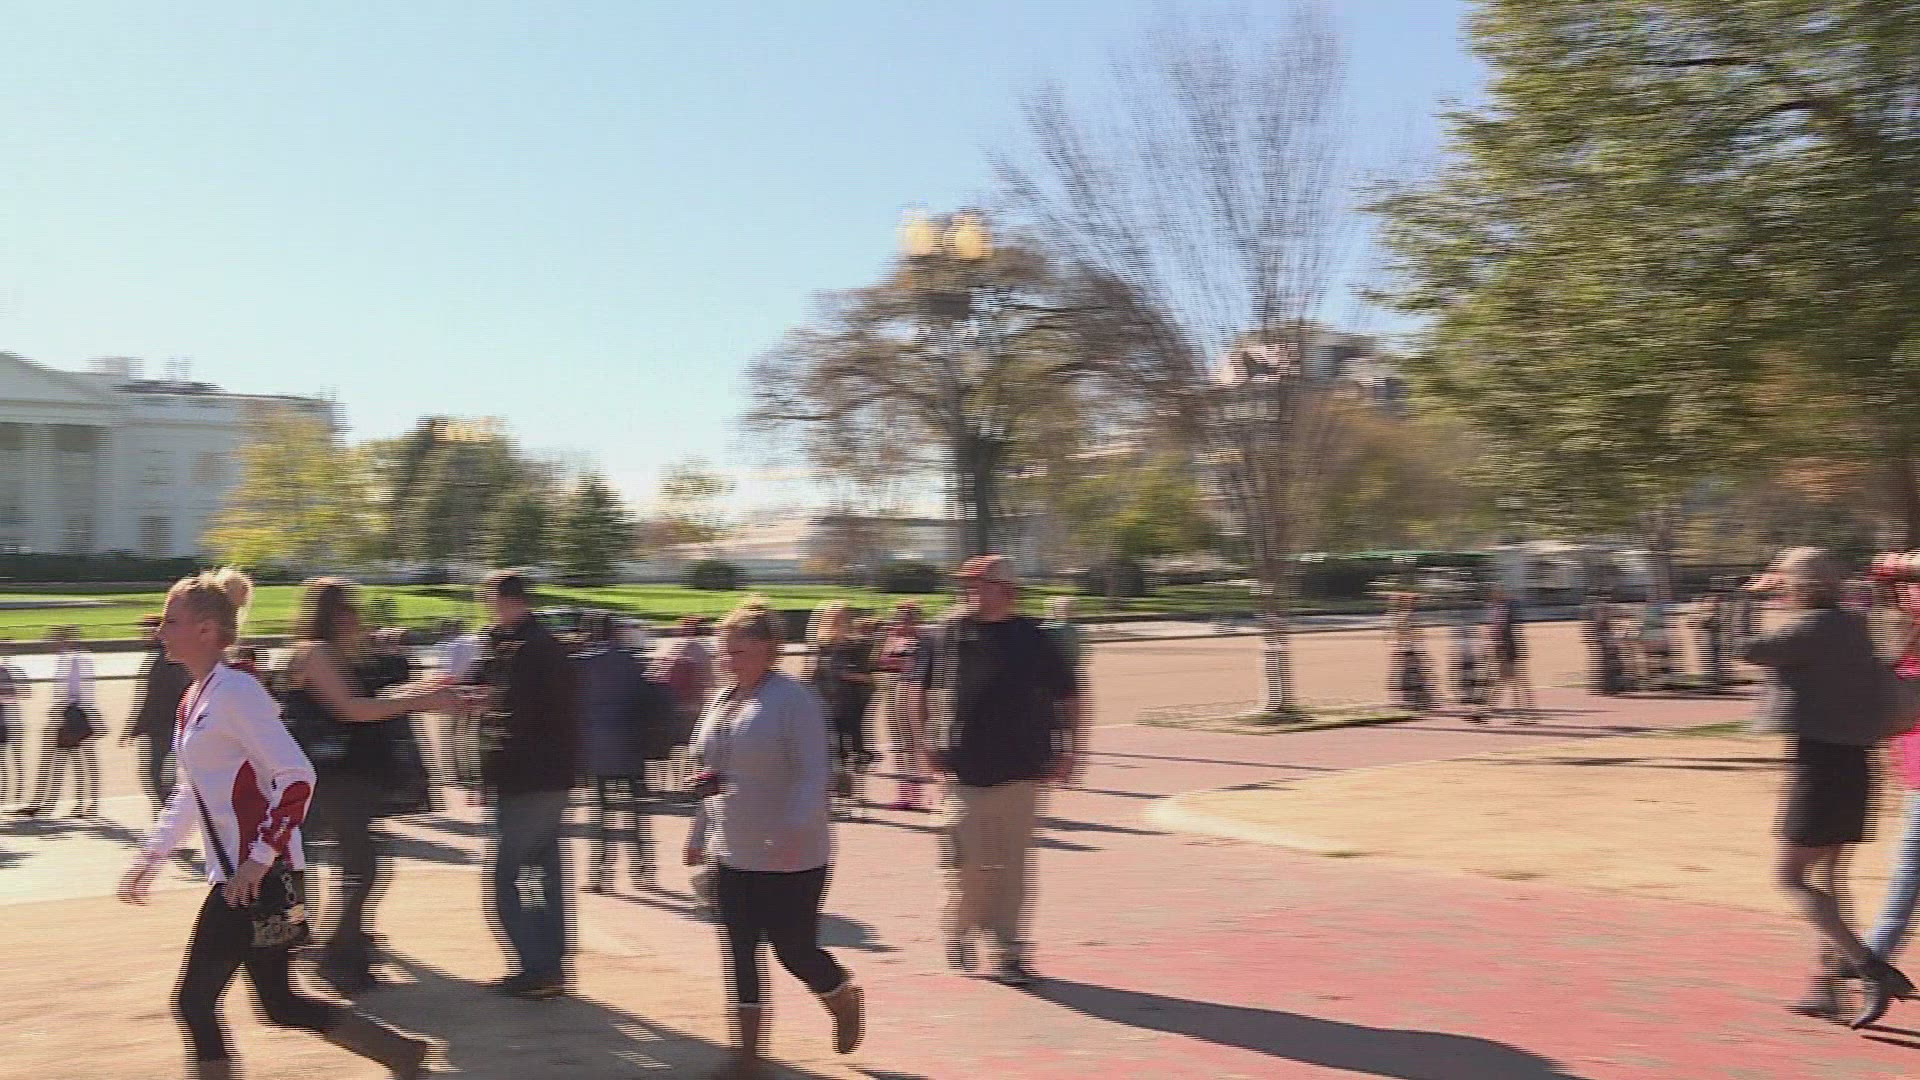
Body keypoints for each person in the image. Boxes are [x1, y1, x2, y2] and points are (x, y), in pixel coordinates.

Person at [115, 567, 433, 1080]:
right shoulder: (194, 698)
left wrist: (258, 861)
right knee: (280, 1003)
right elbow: (191, 792)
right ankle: (401, 1054)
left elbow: (297, 776)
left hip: (256, 879)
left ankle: (399, 1054)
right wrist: (152, 855)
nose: (160, 631)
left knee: (194, 1002)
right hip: (251, 877)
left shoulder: (236, 692)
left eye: (171, 621)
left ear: (205, 630)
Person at [684, 603, 863, 1077]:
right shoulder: (721, 701)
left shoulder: (793, 700)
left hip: (793, 854)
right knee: (739, 950)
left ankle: (841, 995)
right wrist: (698, 832)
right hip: (731, 850)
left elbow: (813, 774)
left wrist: (792, 830)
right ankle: (748, 1056)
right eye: (724, 649)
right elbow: (710, 774)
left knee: (793, 950)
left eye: (738, 649)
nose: (728, 658)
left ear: (768, 647)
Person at [1743, 547, 1914, 1028]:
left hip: (1819, 768)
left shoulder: (1810, 628)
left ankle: (1870, 969)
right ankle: (1827, 989)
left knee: (1791, 879)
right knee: (1830, 881)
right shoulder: (1853, 625)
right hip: (1857, 766)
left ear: (1796, 583)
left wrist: (1754, 597)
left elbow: (1747, 648)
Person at [913, 554, 1085, 987]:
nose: (971, 591)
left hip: (1022, 770)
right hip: (962, 771)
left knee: (1012, 869)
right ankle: (959, 927)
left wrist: (1072, 750)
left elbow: (1070, 696)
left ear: (1007, 591)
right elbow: (915, 692)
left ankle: (1009, 952)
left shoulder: (1036, 638)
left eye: (981, 584)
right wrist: (924, 743)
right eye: (967, 584)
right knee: (966, 864)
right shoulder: (945, 635)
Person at [283, 578, 459, 996]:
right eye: (347, 609)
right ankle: (337, 955)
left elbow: (370, 698)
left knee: (358, 865)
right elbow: (351, 709)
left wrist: (422, 691)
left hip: (343, 776)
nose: (355, 617)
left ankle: (339, 945)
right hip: (331, 776)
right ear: (330, 614)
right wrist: (418, 701)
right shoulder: (315, 652)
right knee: (360, 867)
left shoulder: (334, 653)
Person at [468, 569, 579, 999]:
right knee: (545, 877)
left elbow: (516, 716)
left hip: (526, 778)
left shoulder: (527, 650)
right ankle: (550, 965)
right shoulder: (538, 644)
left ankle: (537, 967)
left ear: (503, 601)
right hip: (549, 776)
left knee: (506, 878)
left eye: (491, 601)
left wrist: (485, 702)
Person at [575, 610, 664, 894]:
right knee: (637, 814)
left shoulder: (584, 664)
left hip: (597, 749)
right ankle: (643, 868)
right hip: (630, 746)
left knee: (601, 816)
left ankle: (600, 872)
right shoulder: (633, 662)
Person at [20, 625, 101, 818]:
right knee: (66, 761)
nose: (50, 644)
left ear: (65, 641)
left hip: (73, 716)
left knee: (67, 762)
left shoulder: (73, 660)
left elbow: (75, 691)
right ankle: (73, 804)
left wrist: (59, 712)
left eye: (54, 640)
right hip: (74, 715)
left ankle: (72, 805)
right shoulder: (73, 658)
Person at [122, 613, 192, 816]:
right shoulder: (160, 657)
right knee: (157, 774)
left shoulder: (169, 659)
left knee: (158, 774)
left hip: (165, 726)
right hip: (159, 727)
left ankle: (169, 814)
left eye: (147, 631)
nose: (143, 635)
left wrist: (137, 725)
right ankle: (166, 814)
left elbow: (159, 696)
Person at [810, 602, 877, 780]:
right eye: (835, 620)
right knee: (834, 743)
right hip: (828, 698)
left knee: (852, 738)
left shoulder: (856, 645)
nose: (840, 623)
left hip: (849, 699)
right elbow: (816, 673)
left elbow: (869, 676)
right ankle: (841, 777)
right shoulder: (824, 646)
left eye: (842, 619)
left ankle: (855, 770)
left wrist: (848, 675)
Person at [875, 602, 931, 811]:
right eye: (898, 618)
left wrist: (900, 661)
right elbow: (881, 662)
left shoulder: (925, 640)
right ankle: (905, 792)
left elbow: (920, 665)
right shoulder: (894, 640)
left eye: (906, 618)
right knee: (899, 742)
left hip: (917, 689)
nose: (900, 622)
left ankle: (921, 792)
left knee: (917, 741)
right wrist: (891, 647)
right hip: (896, 687)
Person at [1485, 586, 1536, 719]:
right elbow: (1497, 632)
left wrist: (1520, 649)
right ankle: (1523, 708)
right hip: (1504, 649)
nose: (1497, 595)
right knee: (1510, 679)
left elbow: (1511, 631)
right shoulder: (1498, 609)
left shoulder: (1504, 609)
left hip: (1508, 649)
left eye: (1499, 593)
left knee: (1512, 679)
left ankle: (1521, 708)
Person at [0, 639, 24, 805]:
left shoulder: (7, 672)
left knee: (14, 758)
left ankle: (18, 792)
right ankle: (5, 792)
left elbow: (14, 696)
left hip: (9, 722)